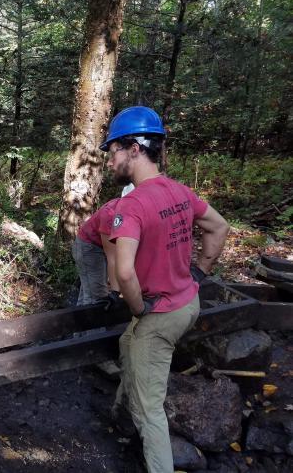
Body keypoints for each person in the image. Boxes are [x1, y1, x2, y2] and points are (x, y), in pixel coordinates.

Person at [101, 106, 229, 473]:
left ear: (135, 148)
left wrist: (139, 308)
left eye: (113, 152)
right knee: (128, 343)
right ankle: (119, 411)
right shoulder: (179, 192)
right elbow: (218, 228)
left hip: (159, 316)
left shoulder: (133, 204)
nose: (111, 161)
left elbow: (124, 273)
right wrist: (200, 273)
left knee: (151, 413)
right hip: (188, 303)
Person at [72, 197, 121, 306]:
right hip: (89, 248)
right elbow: (112, 258)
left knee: (88, 290)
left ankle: (79, 320)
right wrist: (115, 292)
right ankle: (95, 322)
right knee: (97, 296)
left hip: (96, 245)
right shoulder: (110, 214)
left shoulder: (130, 208)